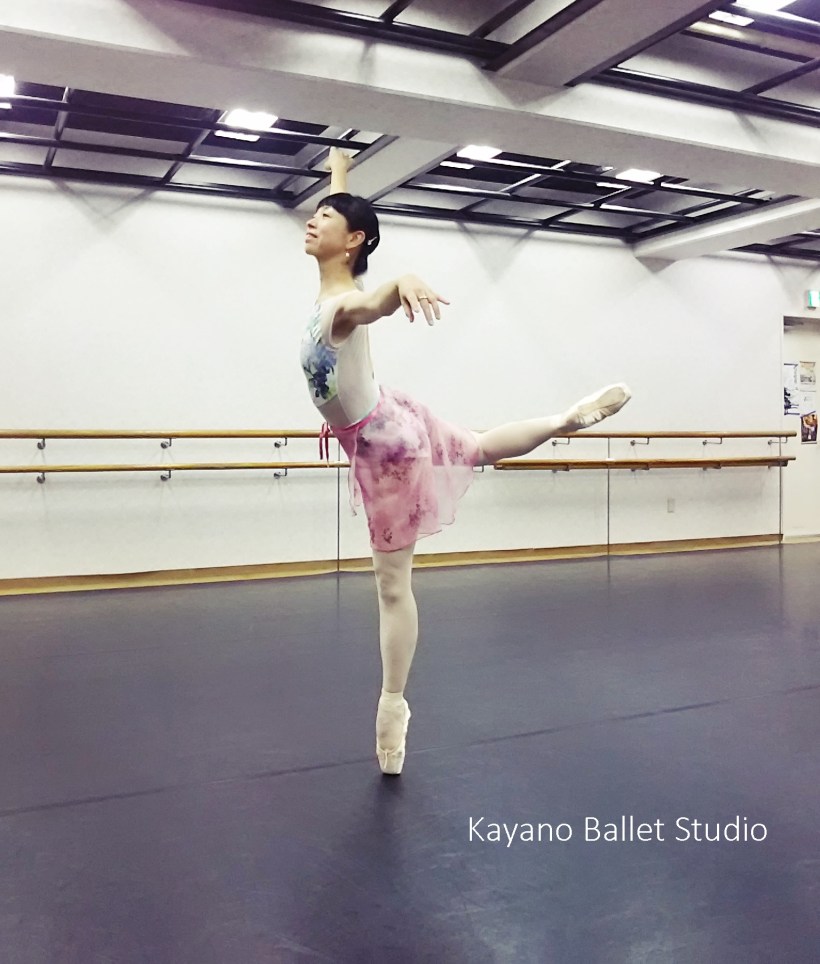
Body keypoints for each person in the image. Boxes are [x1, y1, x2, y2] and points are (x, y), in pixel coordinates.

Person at [300, 148, 631, 775]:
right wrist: (339, 175)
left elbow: (376, 301)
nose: (312, 221)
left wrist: (403, 281)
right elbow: (354, 242)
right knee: (475, 447)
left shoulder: (343, 307)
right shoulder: (333, 287)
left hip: (382, 446)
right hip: (391, 414)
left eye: (325, 218)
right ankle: (562, 421)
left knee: (392, 587)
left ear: (355, 241)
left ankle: (392, 708)